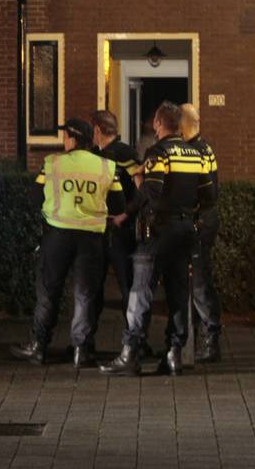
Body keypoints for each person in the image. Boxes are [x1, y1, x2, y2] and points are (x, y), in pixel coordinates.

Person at [101, 102, 213, 377]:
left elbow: (151, 193)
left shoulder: (158, 153)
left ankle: (130, 353)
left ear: (158, 124)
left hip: (159, 232)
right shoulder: (196, 154)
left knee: (140, 292)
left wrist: (137, 184)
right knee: (178, 293)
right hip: (186, 232)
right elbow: (209, 196)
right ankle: (174, 354)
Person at [10, 118, 124, 368]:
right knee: (85, 294)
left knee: (49, 291)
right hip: (91, 238)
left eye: (65, 136)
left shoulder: (52, 163)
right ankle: (81, 351)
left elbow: (34, 196)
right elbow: (118, 204)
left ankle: (39, 347)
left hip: (58, 235)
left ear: (72, 139)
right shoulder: (107, 167)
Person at [86, 110, 143, 351]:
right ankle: (87, 343)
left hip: (119, 231)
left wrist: (126, 214)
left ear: (97, 130)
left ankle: (134, 343)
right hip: (101, 230)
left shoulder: (124, 154)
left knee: (125, 286)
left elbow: (141, 187)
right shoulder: (94, 154)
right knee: (94, 287)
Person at [181, 103, 222, 362]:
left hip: (199, 220)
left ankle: (209, 339)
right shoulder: (205, 148)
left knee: (198, 281)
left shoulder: (194, 153)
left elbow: (206, 192)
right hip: (206, 219)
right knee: (200, 277)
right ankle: (199, 338)